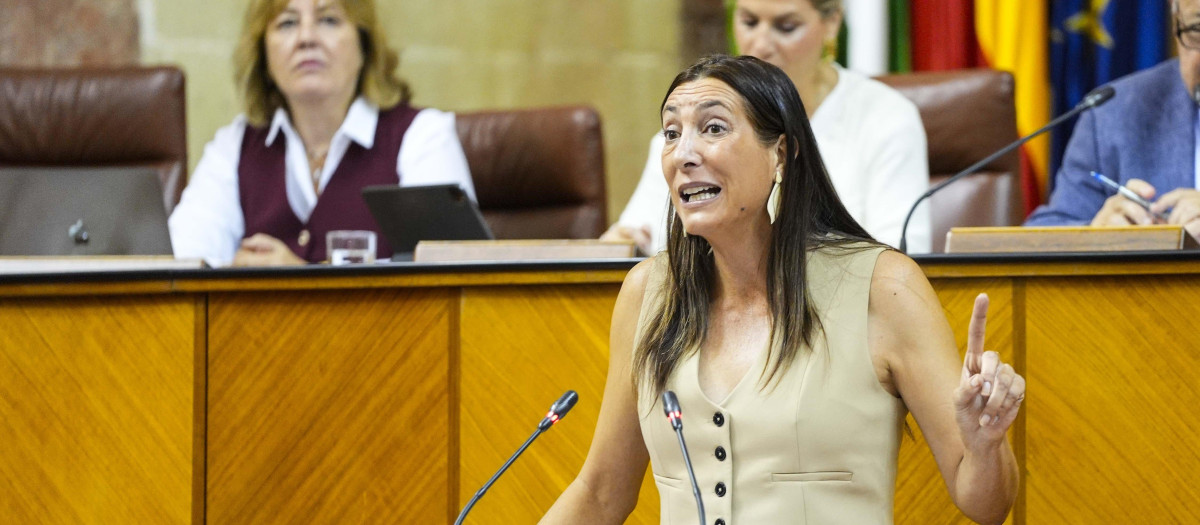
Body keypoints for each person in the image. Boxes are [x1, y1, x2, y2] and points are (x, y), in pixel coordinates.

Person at [541, 56, 1022, 525]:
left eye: (713, 129)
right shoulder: (648, 294)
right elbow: (602, 494)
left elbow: (985, 505)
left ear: (781, 153)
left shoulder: (882, 287)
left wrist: (985, 445)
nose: (684, 154)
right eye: (671, 133)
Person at [602, 0, 931, 254]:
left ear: (831, 23)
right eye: (748, 21)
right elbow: (634, 238)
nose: (760, 45)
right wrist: (622, 244)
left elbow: (902, 256)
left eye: (785, 27)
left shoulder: (885, 116)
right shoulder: (687, 135)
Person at [169, 0, 474, 266]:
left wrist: (302, 281)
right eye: (287, 23)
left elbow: (444, 290)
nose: (306, 38)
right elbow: (180, 266)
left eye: (328, 19)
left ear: (364, 44)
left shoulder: (422, 137)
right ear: (263, 53)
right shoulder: (234, 146)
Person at [1026, 0, 1200, 236]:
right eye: (1197, 29)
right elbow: (1040, 235)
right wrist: (1095, 237)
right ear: (1176, 23)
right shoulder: (1114, 113)